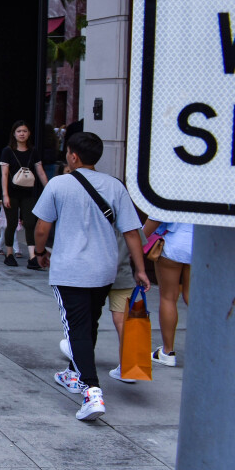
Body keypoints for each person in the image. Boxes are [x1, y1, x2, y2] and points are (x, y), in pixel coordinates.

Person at [32, 132, 149, 422]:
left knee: (76, 328)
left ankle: (91, 391)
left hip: (71, 270)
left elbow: (42, 227)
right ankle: (74, 372)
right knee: (89, 323)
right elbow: (132, 232)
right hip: (105, 269)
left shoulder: (59, 184)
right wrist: (141, 268)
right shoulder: (115, 186)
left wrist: (39, 251)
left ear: (72, 156)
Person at [140, 218, 193, 368]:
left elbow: (156, 218)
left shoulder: (172, 193)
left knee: (168, 298)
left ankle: (167, 352)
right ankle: (204, 350)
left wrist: (137, 242)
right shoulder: (209, 193)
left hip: (172, 244)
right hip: (200, 246)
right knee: (194, 298)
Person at [0, 120, 48, 268]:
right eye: (19, 131)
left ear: (29, 134)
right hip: (12, 193)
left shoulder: (33, 151)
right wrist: (5, 195)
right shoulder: (7, 151)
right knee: (12, 223)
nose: (22, 134)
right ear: (14, 134)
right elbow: (5, 174)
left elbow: (40, 172)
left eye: (25, 131)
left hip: (29, 193)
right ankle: (9, 254)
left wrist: (50, 189)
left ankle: (32, 257)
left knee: (30, 223)